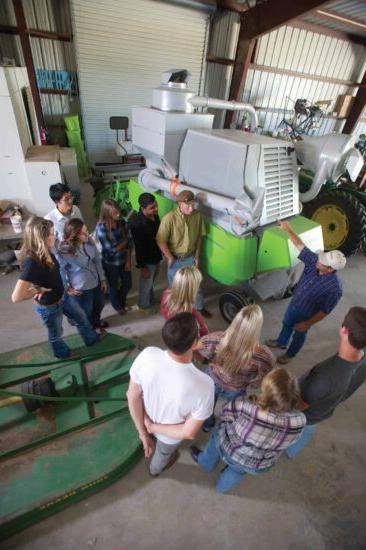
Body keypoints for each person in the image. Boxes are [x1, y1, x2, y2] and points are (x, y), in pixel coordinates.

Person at [190, 368, 306, 493]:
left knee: (217, 434)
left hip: (229, 447)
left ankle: (205, 463)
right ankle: (222, 488)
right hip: (257, 463)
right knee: (237, 472)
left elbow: (225, 414)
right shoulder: (300, 421)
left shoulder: (244, 405)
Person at [127, 312, 214, 477]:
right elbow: (188, 432)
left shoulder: (147, 354)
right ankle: (155, 470)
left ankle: (155, 467)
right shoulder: (205, 385)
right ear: (195, 343)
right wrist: (152, 428)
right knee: (163, 453)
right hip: (169, 436)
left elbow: (133, 395)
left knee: (159, 450)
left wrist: (143, 432)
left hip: (146, 415)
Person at [11, 217, 102, 359]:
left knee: (82, 318)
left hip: (63, 296)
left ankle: (91, 339)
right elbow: (16, 297)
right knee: (56, 333)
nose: (55, 236)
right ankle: (62, 353)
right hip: (49, 306)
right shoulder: (31, 261)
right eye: (52, 234)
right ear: (42, 238)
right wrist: (36, 290)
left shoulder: (47, 249)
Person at [286, 306, 366, 458]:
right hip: (325, 410)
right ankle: (292, 452)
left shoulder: (324, 377)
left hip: (306, 416)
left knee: (299, 430)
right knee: (307, 433)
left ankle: (286, 448)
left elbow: (300, 405)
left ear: (344, 330)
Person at [266, 220, 346, 364]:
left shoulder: (334, 288)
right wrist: (288, 229)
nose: (318, 260)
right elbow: (300, 246)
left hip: (307, 313)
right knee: (287, 323)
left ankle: (290, 354)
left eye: (322, 262)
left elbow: (325, 310)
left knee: (300, 334)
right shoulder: (315, 262)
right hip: (295, 303)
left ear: (330, 269)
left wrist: (308, 323)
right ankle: (281, 342)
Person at [199, 304, 275, 431]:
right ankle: (225, 428)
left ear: (236, 321)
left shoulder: (216, 338)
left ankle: (207, 425)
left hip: (212, 380)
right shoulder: (265, 356)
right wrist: (252, 382)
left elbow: (197, 350)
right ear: (257, 329)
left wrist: (208, 361)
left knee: (207, 405)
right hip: (237, 389)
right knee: (233, 410)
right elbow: (260, 379)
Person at [156, 189, 210, 317]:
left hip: (190, 258)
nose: (191, 209)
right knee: (175, 288)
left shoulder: (197, 216)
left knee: (196, 285)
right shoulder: (169, 218)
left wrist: (197, 256)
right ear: (179, 204)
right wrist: (169, 257)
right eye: (188, 206)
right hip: (175, 259)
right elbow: (160, 240)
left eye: (193, 205)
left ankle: (199, 308)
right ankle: (178, 312)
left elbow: (199, 237)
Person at [57, 218, 108, 329]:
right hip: (81, 286)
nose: (87, 234)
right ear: (74, 235)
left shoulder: (89, 242)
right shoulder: (65, 250)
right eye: (83, 233)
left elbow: (97, 261)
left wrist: (102, 279)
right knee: (86, 309)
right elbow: (61, 270)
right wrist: (67, 287)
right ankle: (89, 328)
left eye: (87, 230)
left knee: (100, 303)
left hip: (95, 281)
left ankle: (96, 321)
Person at [96, 199, 132, 315]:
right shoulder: (101, 228)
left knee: (128, 283)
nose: (118, 214)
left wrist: (128, 261)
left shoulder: (122, 222)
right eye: (115, 213)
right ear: (107, 214)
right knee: (113, 286)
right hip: (110, 263)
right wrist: (124, 241)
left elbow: (129, 243)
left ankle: (121, 300)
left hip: (123, 260)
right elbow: (111, 250)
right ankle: (117, 306)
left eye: (119, 211)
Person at [128, 193, 162, 312]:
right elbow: (139, 247)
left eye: (155, 205)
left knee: (151, 282)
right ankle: (143, 305)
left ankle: (150, 299)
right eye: (152, 208)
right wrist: (143, 267)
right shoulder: (137, 224)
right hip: (147, 259)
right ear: (143, 208)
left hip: (156, 255)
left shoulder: (155, 216)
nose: (156, 209)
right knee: (145, 284)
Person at [160, 266, 208, 337]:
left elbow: (163, 312)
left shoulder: (166, 295)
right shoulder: (192, 315)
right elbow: (204, 334)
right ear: (192, 289)